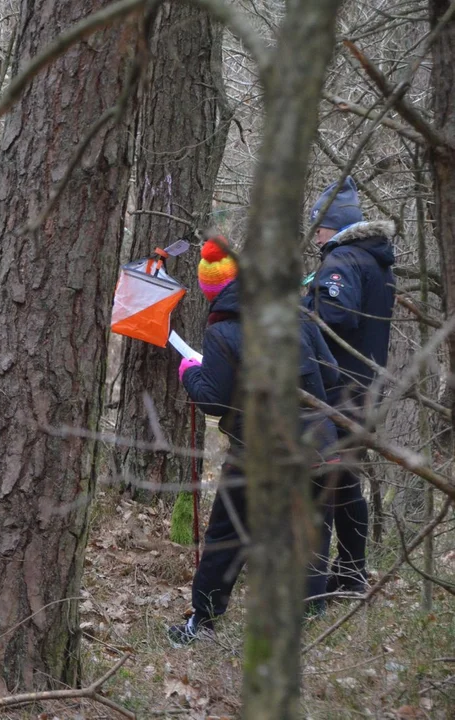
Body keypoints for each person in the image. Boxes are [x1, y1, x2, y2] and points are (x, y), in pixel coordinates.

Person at [168, 238, 340, 645]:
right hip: (319, 443)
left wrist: (189, 371)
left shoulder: (224, 331)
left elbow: (211, 398)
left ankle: (202, 623)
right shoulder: (296, 313)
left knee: (226, 537)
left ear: (213, 294)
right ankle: (311, 624)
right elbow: (330, 374)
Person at [303, 176, 396, 594]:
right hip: (364, 390)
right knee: (346, 483)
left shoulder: (342, 262)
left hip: (339, 391)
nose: (315, 234)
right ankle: (352, 573)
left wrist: (302, 308)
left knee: (323, 484)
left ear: (333, 224)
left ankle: (318, 582)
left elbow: (337, 315)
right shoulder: (373, 260)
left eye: (318, 226)